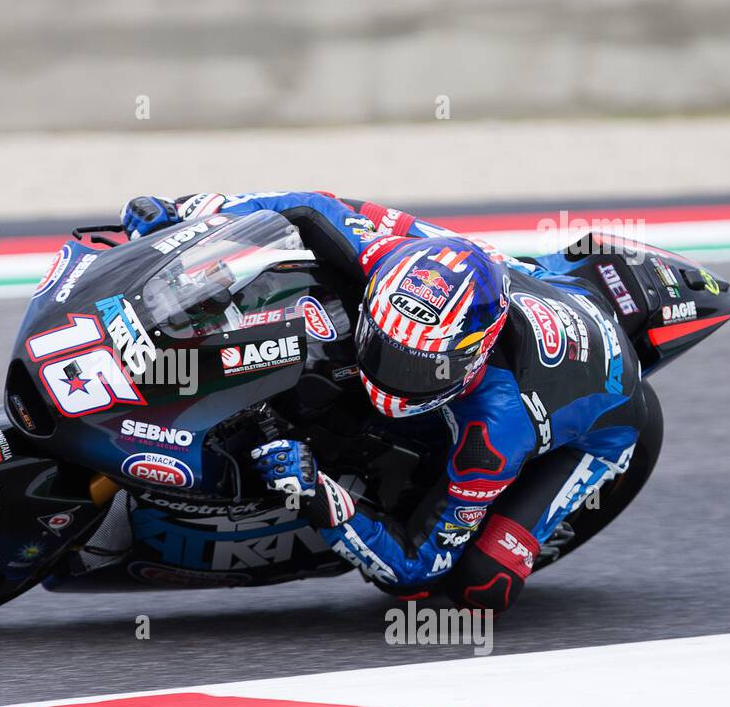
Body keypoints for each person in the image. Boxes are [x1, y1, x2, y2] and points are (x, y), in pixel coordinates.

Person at [120, 192, 659, 611]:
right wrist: (185, 213)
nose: (393, 375)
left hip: (605, 419)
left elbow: (416, 566)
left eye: (418, 367)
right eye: (386, 348)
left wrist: (319, 494)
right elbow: (306, 207)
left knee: (473, 587)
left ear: (469, 359)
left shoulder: (496, 432)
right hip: (534, 286)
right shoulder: (395, 258)